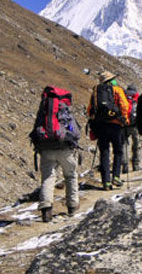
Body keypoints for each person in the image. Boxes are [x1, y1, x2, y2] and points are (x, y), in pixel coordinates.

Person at [29, 86, 80, 222]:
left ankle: (46, 208)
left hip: (46, 149)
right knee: (70, 175)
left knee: (48, 178)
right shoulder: (65, 111)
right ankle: (72, 206)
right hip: (65, 149)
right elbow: (76, 132)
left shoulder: (43, 111)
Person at [87, 71, 129, 190]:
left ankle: (106, 182)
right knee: (118, 151)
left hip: (101, 126)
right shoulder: (117, 90)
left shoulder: (96, 91)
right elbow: (124, 106)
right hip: (116, 125)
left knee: (104, 153)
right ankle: (116, 176)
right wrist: (124, 120)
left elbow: (90, 109)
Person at [122, 84, 142, 173]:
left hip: (125, 125)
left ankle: (125, 165)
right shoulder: (137, 99)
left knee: (125, 145)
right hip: (136, 125)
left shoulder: (124, 97)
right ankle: (136, 165)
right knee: (137, 145)